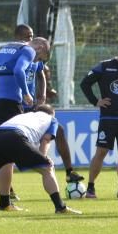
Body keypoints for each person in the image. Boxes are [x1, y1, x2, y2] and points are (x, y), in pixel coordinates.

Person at [0, 104, 81, 215]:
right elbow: (46, 140)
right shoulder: (51, 119)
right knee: (47, 168)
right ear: (52, 114)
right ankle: (60, 207)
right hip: (15, 136)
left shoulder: (25, 115)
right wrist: (43, 158)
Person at [0, 24, 36, 202]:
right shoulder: (26, 50)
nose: (31, 40)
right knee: (8, 154)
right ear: (25, 37)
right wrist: (26, 92)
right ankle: (5, 201)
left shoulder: (4, 50)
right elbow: (19, 71)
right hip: (10, 105)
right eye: (30, 36)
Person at [80, 39, 118, 199]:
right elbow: (85, 83)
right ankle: (91, 189)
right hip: (109, 117)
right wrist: (96, 101)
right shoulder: (105, 66)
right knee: (101, 152)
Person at [27, 38, 85, 188]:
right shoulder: (20, 57)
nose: (29, 39)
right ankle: (9, 188)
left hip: (33, 106)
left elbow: (41, 72)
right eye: (28, 36)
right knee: (12, 142)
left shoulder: (36, 62)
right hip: (19, 106)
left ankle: (69, 172)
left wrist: (42, 96)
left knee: (58, 131)